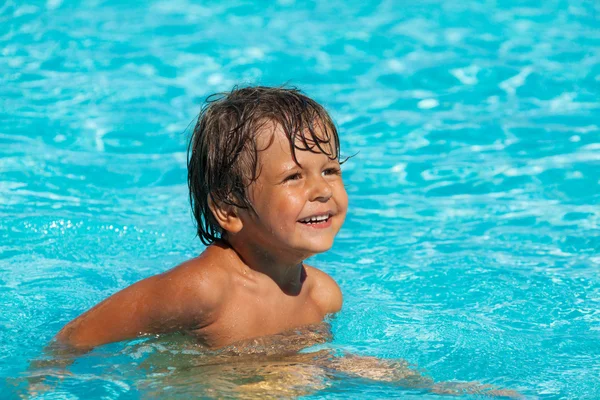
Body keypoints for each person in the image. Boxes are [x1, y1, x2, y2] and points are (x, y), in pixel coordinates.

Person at [55, 86, 348, 351]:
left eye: (330, 171)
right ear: (229, 209)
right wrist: (46, 377)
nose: (322, 190)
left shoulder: (323, 297)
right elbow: (77, 336)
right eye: (293, 177)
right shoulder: (203, 290)